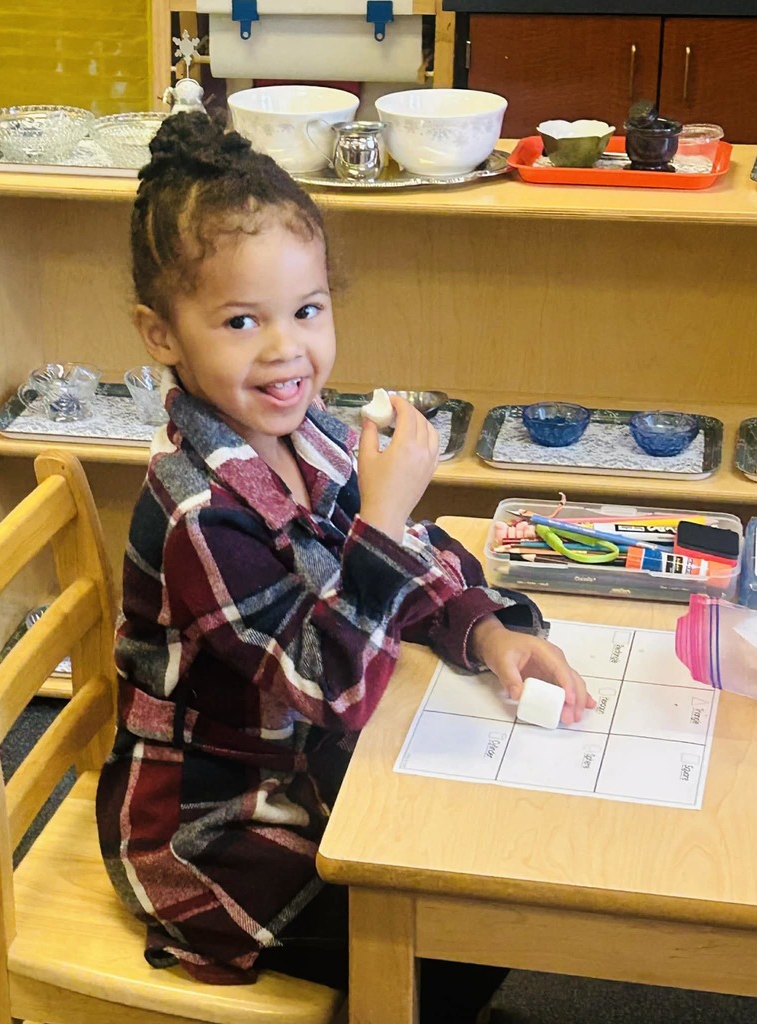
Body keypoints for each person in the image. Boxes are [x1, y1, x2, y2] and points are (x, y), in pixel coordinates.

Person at [96, 112, 594, 1020]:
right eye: (241, 320)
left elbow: (416, 561)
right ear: (160, 333)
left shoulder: (314, 431)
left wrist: (482, 629)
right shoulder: (197, 513)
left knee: (482, 893)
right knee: (449, 935)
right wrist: (387, 513)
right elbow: (330, 683)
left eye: (308, 310)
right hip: (213, 826)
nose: (287, 350)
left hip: (311, 767)